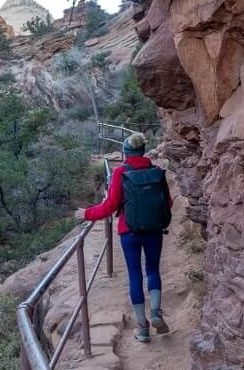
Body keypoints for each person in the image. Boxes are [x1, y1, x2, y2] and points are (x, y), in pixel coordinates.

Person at [74, 132, 172, 343]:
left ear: (126, 154)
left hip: (129, 232)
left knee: (135, 275)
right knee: (153, 270)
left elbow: (109, 206)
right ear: (143, 151)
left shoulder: (120, 172)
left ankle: (143, 328)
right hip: (154, 230)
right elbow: (168, 204)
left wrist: (86, 214)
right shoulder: (157, 172)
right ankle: (156, 312)